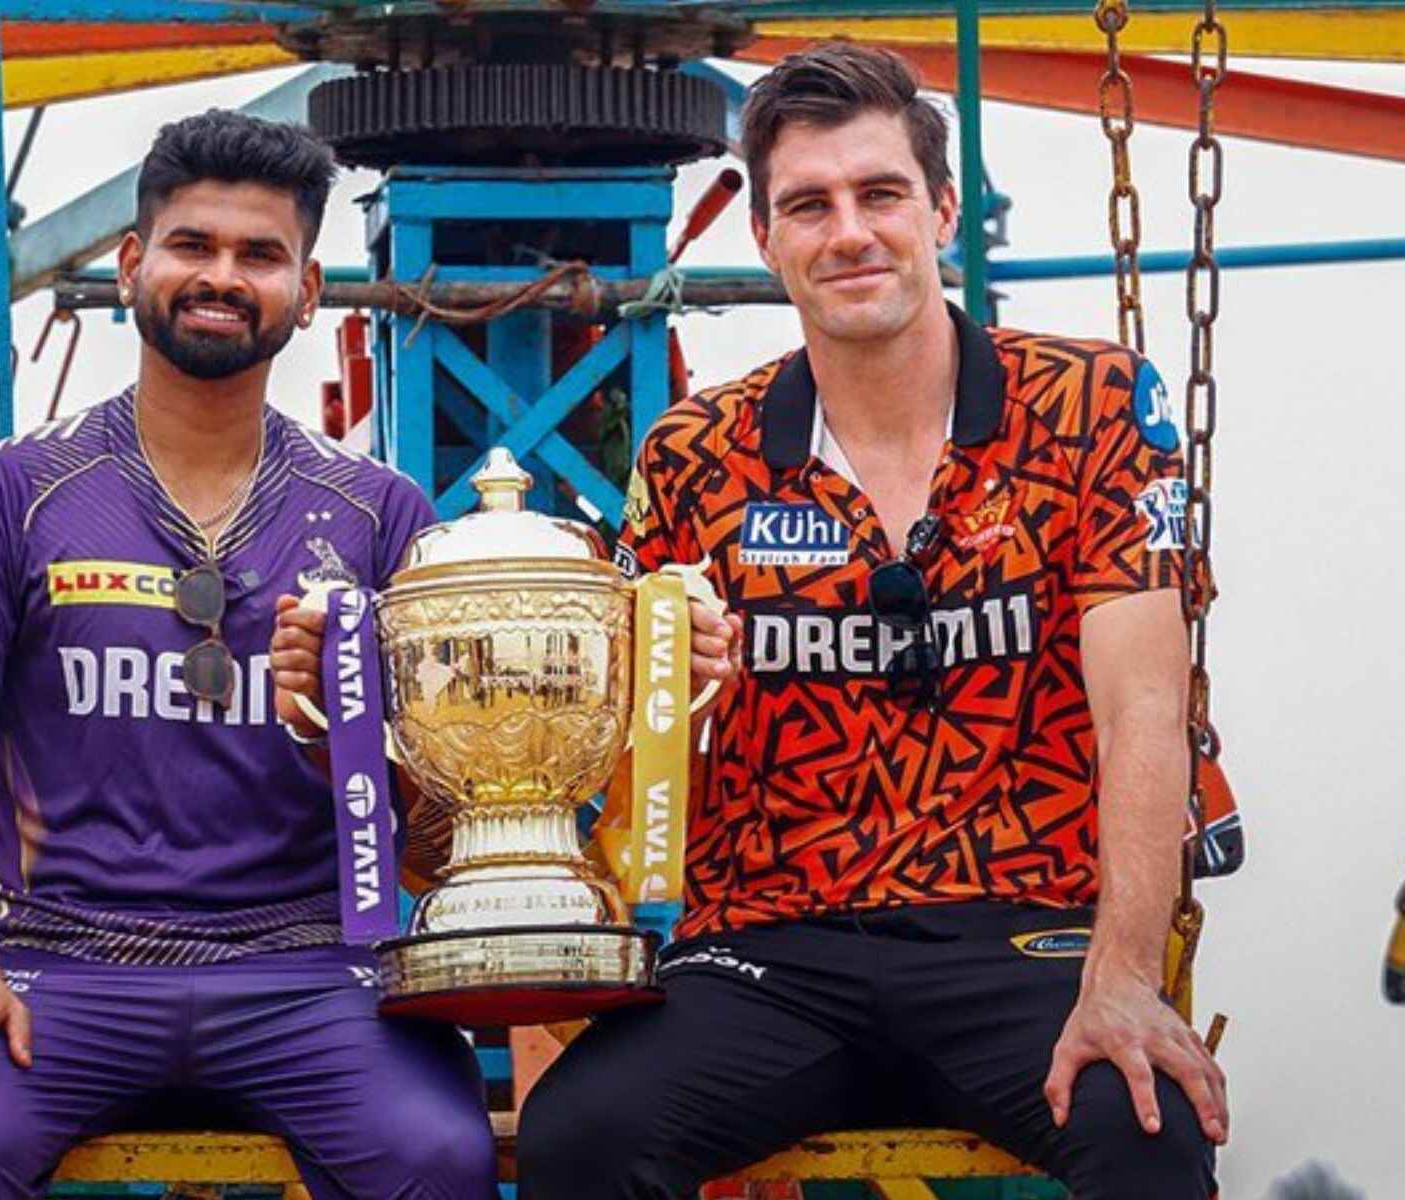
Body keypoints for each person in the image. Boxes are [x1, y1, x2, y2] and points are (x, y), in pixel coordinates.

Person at [518, 42, 1226, 1200]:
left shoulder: (1093, 405)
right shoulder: (696, 454)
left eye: (879, 193)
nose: (848, 231)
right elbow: (627, 755)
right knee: (579, 1139)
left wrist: (1126, 975)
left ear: (941, 210)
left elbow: (1145, 709)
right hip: (770, 951)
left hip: (1020, 931)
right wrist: (669, 683)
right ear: (767, 240)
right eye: (809, 204)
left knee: (1144, 1128)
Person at [0, 110, 496, 1200]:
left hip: (313, 970)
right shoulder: (9, 493)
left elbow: (443, 829)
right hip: (61, 964)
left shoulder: (381, 515)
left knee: (437, 1155)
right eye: (192, 245)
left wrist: (332, 741)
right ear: (131, 265)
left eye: (260, 255)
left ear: (306, 294)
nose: (221, 276)